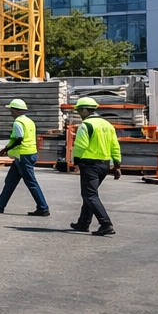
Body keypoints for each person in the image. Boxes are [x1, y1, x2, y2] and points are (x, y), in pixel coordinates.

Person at [0, 98, 50, 216]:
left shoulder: (18, 123)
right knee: (10, 180)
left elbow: (19, 139)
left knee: (31, 182)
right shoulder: (29, 121)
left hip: (23, 155)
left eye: (11, 109)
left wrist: (6, 149)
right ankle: (0, 204)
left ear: (15, 110)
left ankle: (43, 208)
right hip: (29, 153)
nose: (10, 112)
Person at [68, 97, 121, 236]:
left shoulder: (85, 126)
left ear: (86, 109)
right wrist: (117, 165)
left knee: (90, 195)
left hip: (89, 164)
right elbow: (115, 146)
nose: (79, 113)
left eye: (79, 110)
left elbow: (80, 146)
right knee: (90, 194)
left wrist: (76, 162)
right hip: (104, 164)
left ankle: (106, 224)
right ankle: (83, 223)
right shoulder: (107, 125)